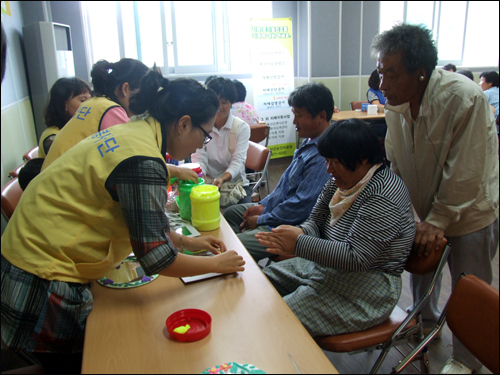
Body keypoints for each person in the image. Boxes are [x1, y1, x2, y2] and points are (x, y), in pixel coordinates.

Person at [1, 71, 245, 374]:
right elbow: (157, 258)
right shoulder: (142, 158)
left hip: (33, 247)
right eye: (204, 134)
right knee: (93, 363)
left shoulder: (135, 132)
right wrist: (216, 265)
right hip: (41, 270)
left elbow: (140, 220)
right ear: (183, 124)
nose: (201, 144)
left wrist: (187, 242)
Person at [372, 23, 499, 374]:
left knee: (468, 284)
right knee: (423, 271)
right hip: (426, 208)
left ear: (421, 74)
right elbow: (395, 161)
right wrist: (409, 214)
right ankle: (423, 325)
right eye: (381, 73)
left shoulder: (463, 98)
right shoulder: (395, 104)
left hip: (471, 209)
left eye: (391, 75)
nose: (383, 86)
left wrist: (437, 220)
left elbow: (467, 171)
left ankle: (465, 359)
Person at [255, 119, 415, 337]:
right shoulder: (340, 181)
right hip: (327, 268)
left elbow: (357, 257)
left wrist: (298, 242)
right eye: (326, 160)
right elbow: (315, 222)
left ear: (363, 158)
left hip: (368, 287)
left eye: (335, 161)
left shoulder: (383, 194)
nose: (328, 169)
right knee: (261, 284)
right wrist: (301, 233)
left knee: (279, 320)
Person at [223, 82, 332, 262]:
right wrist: (264, 205)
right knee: (232, 214)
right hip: (281, 212)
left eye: (299, 116)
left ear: (321, 116)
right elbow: (285, 185)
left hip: (291, 225)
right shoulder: (309, 141)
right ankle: (247, 264)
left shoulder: (324, 154)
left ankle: (245, 261)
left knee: (236, 245)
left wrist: (262, 219)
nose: (294, 122)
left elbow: (302, 206)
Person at [41, 58, 149, 170]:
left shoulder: (96, 103)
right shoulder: (110, 110)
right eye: (144, 94)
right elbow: (134, 161)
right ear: (125, 88)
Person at [191, 77, 251, 202]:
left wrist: (223, 178)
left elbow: (238, 162)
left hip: (235, 186)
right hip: (207, 184)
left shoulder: (241, 128)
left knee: (237, 218)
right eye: (216, 102)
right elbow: (199, 158)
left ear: (231, 103)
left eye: (224, 102)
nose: (219, 107)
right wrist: (198, 177)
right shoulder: (202, 126)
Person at [39, 77, 92, 158]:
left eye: (90, 99)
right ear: (64, 104)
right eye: (83, 100)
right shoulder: (52, 137)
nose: (89, 104)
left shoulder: (78, 128)